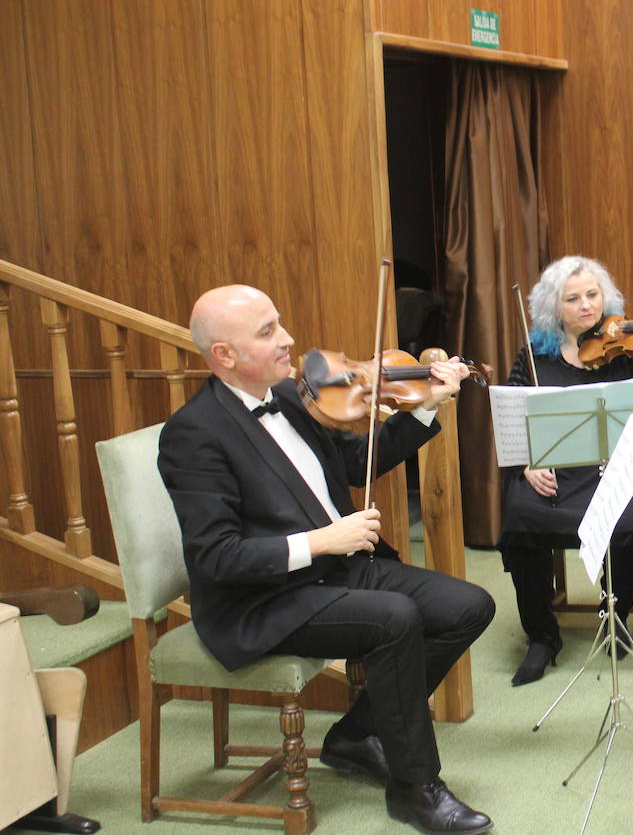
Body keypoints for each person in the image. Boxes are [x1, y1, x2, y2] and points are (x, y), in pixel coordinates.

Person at [157, 285, 496, 835]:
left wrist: (427, 404)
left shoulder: (290, 396)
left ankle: (357, 735)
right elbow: (217, 557)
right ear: (224, 355)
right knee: (394, 619)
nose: (289, 339)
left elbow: (354, 461)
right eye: (268, 332)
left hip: (335, 570)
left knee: (467, 605)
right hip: (264, 599)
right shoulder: (193, 434)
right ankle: (414, 788)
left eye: (279, 323)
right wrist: (324, 540)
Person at [500, 256, 633, 686]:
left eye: (593, 295)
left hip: (621, 466)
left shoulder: (625, 347)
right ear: (553, 307)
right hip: (558, 470)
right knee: (519, 514)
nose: (587, 306)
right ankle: (542, 636)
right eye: (573, 298)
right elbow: (511, 416)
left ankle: (615, 609)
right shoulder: (533, 356)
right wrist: (527, 466)